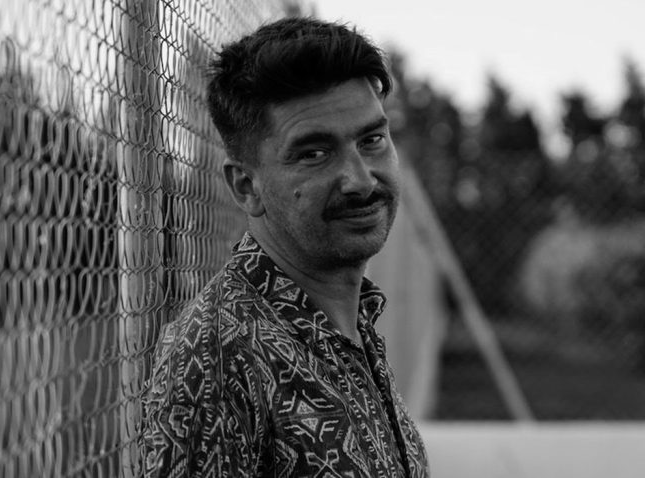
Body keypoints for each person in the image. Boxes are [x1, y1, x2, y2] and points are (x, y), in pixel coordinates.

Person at [141, 17, 429, 477]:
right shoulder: (219, 357)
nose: (360, 180)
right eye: (314, 154)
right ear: (246, 186)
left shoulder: (353, 320)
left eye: (372, 140)